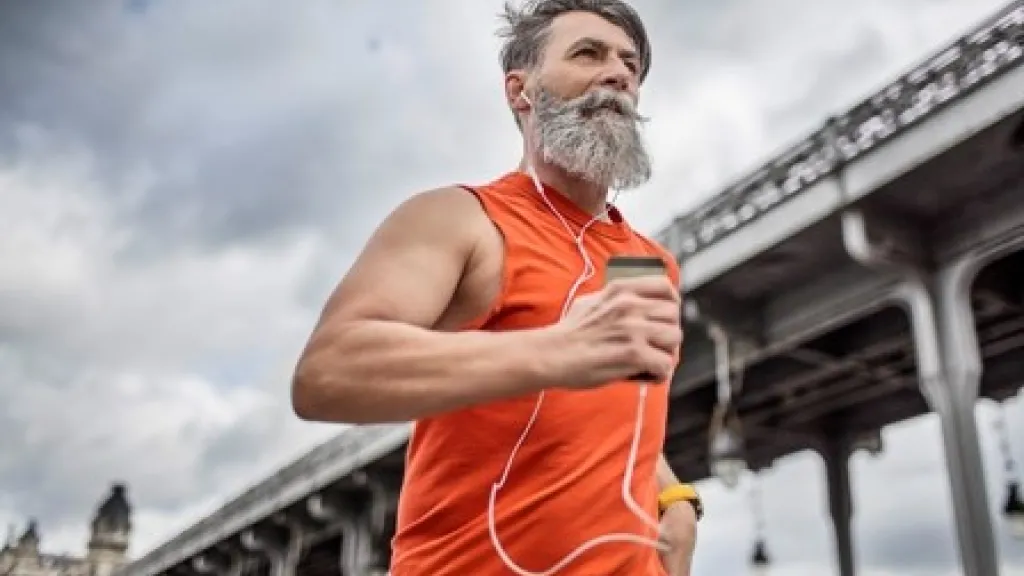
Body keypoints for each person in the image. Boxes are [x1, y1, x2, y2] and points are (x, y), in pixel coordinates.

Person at [291, 1, 702, 574]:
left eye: (630, 64)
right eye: (588, 53)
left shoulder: (646, 261)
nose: (618, 73)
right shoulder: (461, 218)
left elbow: (617, 417)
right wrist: (554, 350)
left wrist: (674, 498)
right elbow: (326, 375)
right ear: (521, 90)